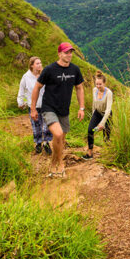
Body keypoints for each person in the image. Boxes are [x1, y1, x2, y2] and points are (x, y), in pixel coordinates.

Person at [30, 42, 85, 178]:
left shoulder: (75, 70)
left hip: (64, 110)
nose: (69, 55)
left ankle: (54, 161)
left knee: (61, 139)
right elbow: (37, 87)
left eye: (70, 52)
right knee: (58, 134)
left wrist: (81, 107)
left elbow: (79, 88)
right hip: (49, 107)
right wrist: (33, 109)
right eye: (66, 52)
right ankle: (59, 163)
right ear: (59, 54)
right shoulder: (49, 70)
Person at [17, 56, 52, 155]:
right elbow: (21, 90)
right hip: (33, 106)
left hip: (46, 105)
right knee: (36, 126)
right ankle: (38, 143)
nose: (40, 65)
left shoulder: (45, 75)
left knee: (47, 126)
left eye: (40, 63)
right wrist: (20, 102)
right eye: (37, 63)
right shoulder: (26, 77)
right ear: (32, 65)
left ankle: (46, 142)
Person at [86, 71, 113, 158]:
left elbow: (108, 109)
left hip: (107, 115)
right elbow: (94, 103)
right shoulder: (94, 90)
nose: (98, 86)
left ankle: (108, 155)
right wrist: (94, 116)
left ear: (104, 83)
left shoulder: (109, 93)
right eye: (96, 84)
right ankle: (90, 152)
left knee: (106, 137)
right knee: (90, 130)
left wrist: (102, 123)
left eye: (100, 84)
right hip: (97, 113)